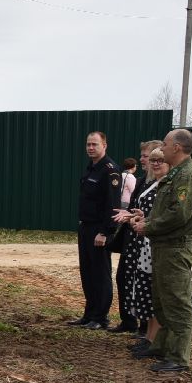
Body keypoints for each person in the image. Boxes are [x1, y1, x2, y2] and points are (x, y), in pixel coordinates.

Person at [130, 129, 192, 373]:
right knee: (162, 301)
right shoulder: (176, 175)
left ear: (177, 147)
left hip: (175, 248)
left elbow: (179, 214)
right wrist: (148, 218)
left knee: (177, 303)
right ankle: (162, 347)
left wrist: (149, 226)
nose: (161, 149)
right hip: (163, 245)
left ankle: (178, 356)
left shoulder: (187, 176)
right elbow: (169, 210)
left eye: (165, 144)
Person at [114, 148, 165, 346]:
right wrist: (136, 217)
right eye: (151, 159)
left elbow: (170, 216)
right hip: (143, 241)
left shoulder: (167, 184)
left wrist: (145, 222)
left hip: (156, 244)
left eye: (159, 159)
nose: (153, 163)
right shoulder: (149, 182)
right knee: (144, 288)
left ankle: (156, 340)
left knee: (156, 293)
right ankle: (148, 337)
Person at [70, 131, 120, 329]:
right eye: (88, 144)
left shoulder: (110, 170)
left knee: (100, 273)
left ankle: (101, 317)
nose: (91, 148)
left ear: (104, 145)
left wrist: (105, 232)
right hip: (86, 227)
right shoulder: (91, 168)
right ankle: (89, 314)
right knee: (87, 272)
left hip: (99, 230)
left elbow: (112, 204)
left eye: (95, 144)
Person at [108, 155, 140, 332]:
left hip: (135, 222)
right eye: (142, 157)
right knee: (124, 278)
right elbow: (133, 192)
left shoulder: (121, 174)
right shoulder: (134, 178)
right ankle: (128, 320)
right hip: (128, 213)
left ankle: (137, 324)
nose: (144, 161)